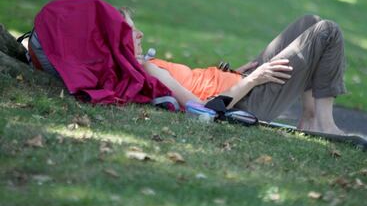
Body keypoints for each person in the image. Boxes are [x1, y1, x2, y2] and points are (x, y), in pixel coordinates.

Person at [120, 8, 347, 135]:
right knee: (327, 32)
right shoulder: (148, 68)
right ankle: (323, 124)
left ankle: (310, 118)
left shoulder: (147, 64)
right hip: (246, 101)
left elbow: (196, 83)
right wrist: (252, 81)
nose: (140, 33)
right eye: (131, 30)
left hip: (241, 85)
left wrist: (232, 75)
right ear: (118, 40)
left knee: (310, 22)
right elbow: (202, 109)